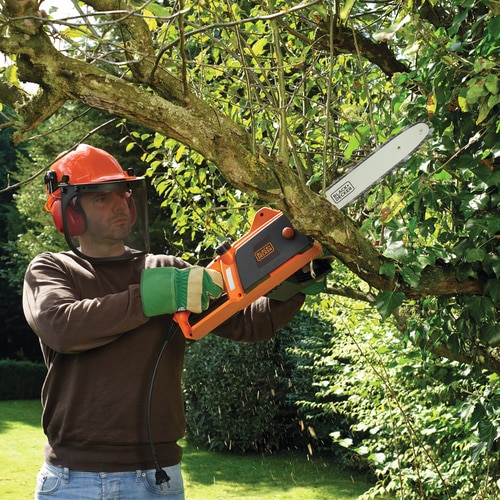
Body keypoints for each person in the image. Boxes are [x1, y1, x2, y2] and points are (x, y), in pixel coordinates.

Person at [22, 144, 321, 499]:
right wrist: (152, 297)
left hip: (155, 477)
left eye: (122, 193)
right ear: (70, 212)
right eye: (102, 197)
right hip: (73, 480)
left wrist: (292, 282)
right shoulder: (52, 269)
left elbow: (248, 323)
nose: (119, 204)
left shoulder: (167, 271)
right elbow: (62, 327)